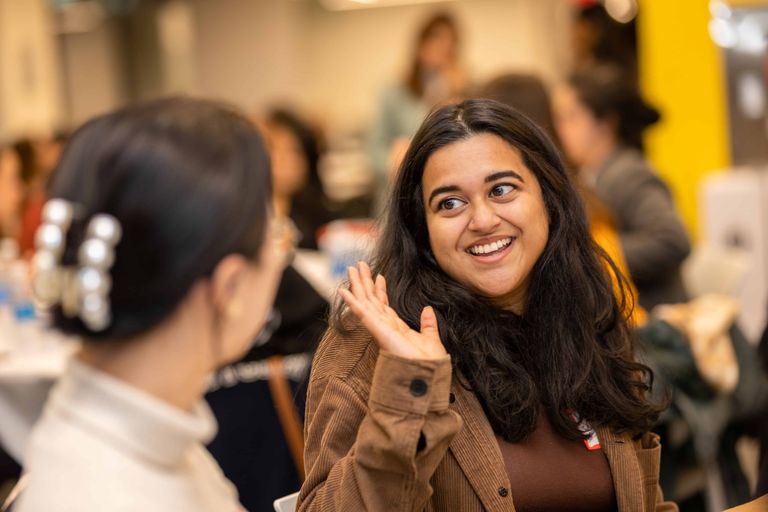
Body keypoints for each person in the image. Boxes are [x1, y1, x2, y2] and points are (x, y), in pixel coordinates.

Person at [297, 98, 676, 511]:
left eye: (501, 190)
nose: (482, 220)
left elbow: (647, 500)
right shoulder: (373, 344)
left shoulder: (585, 316)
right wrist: (410, 387)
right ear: (421, 229)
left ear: (548, 199)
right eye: (450, 203)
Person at [16, 97, 288, 511]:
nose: (280, 256)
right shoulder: (111, 490)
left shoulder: (147, 433)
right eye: (275, 233)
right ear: (229, 287)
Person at [553, 64, 690, 311]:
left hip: (653, 323)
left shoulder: (630, 174)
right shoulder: (591, 174)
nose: (561, 129)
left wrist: (593, 255)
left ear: (605, 123)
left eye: (571, 117)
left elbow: (673, 240)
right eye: (559, 118)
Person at [368, 11, 467, 204]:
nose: (444, 47)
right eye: (437, 38)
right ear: (420, 44)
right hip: (401, 193)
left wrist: (456, 96)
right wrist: (398, 162)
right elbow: (373, 151)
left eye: (451, 41)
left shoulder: (463, 89)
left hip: (447, 191)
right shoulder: (393, 91)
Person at [262, 108, 337, 250]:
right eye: (275, 149)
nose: (284, 160)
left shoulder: (316, 214)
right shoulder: (250, 214)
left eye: (293, 152)